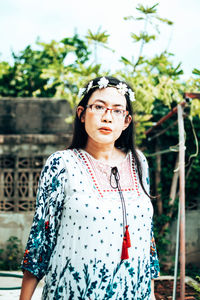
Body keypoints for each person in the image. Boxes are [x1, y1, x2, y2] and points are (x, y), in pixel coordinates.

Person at [20, 76, 160, 300]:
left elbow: (147, 239)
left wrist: (151, 294)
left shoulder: (138, 162)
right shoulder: (61, 164)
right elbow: (40, 240)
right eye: (99, 107)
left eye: (117, 110)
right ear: (82, 113)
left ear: (126, 121)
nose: (107, 117)